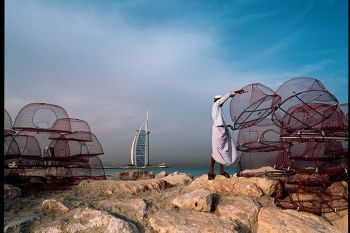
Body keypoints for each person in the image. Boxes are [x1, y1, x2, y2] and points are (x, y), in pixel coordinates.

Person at [208, 89, 245, 180]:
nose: (222, 102)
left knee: (223, 151)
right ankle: (211, 172)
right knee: (216, 151)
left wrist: (228, 126)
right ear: (216, 100)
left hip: (222, 130)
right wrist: (234, 93)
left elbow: (220, 122)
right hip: (218, 131)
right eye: (220, 100)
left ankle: (221, 171)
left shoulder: (219, 109)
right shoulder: (216, 105)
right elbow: (224, 98)